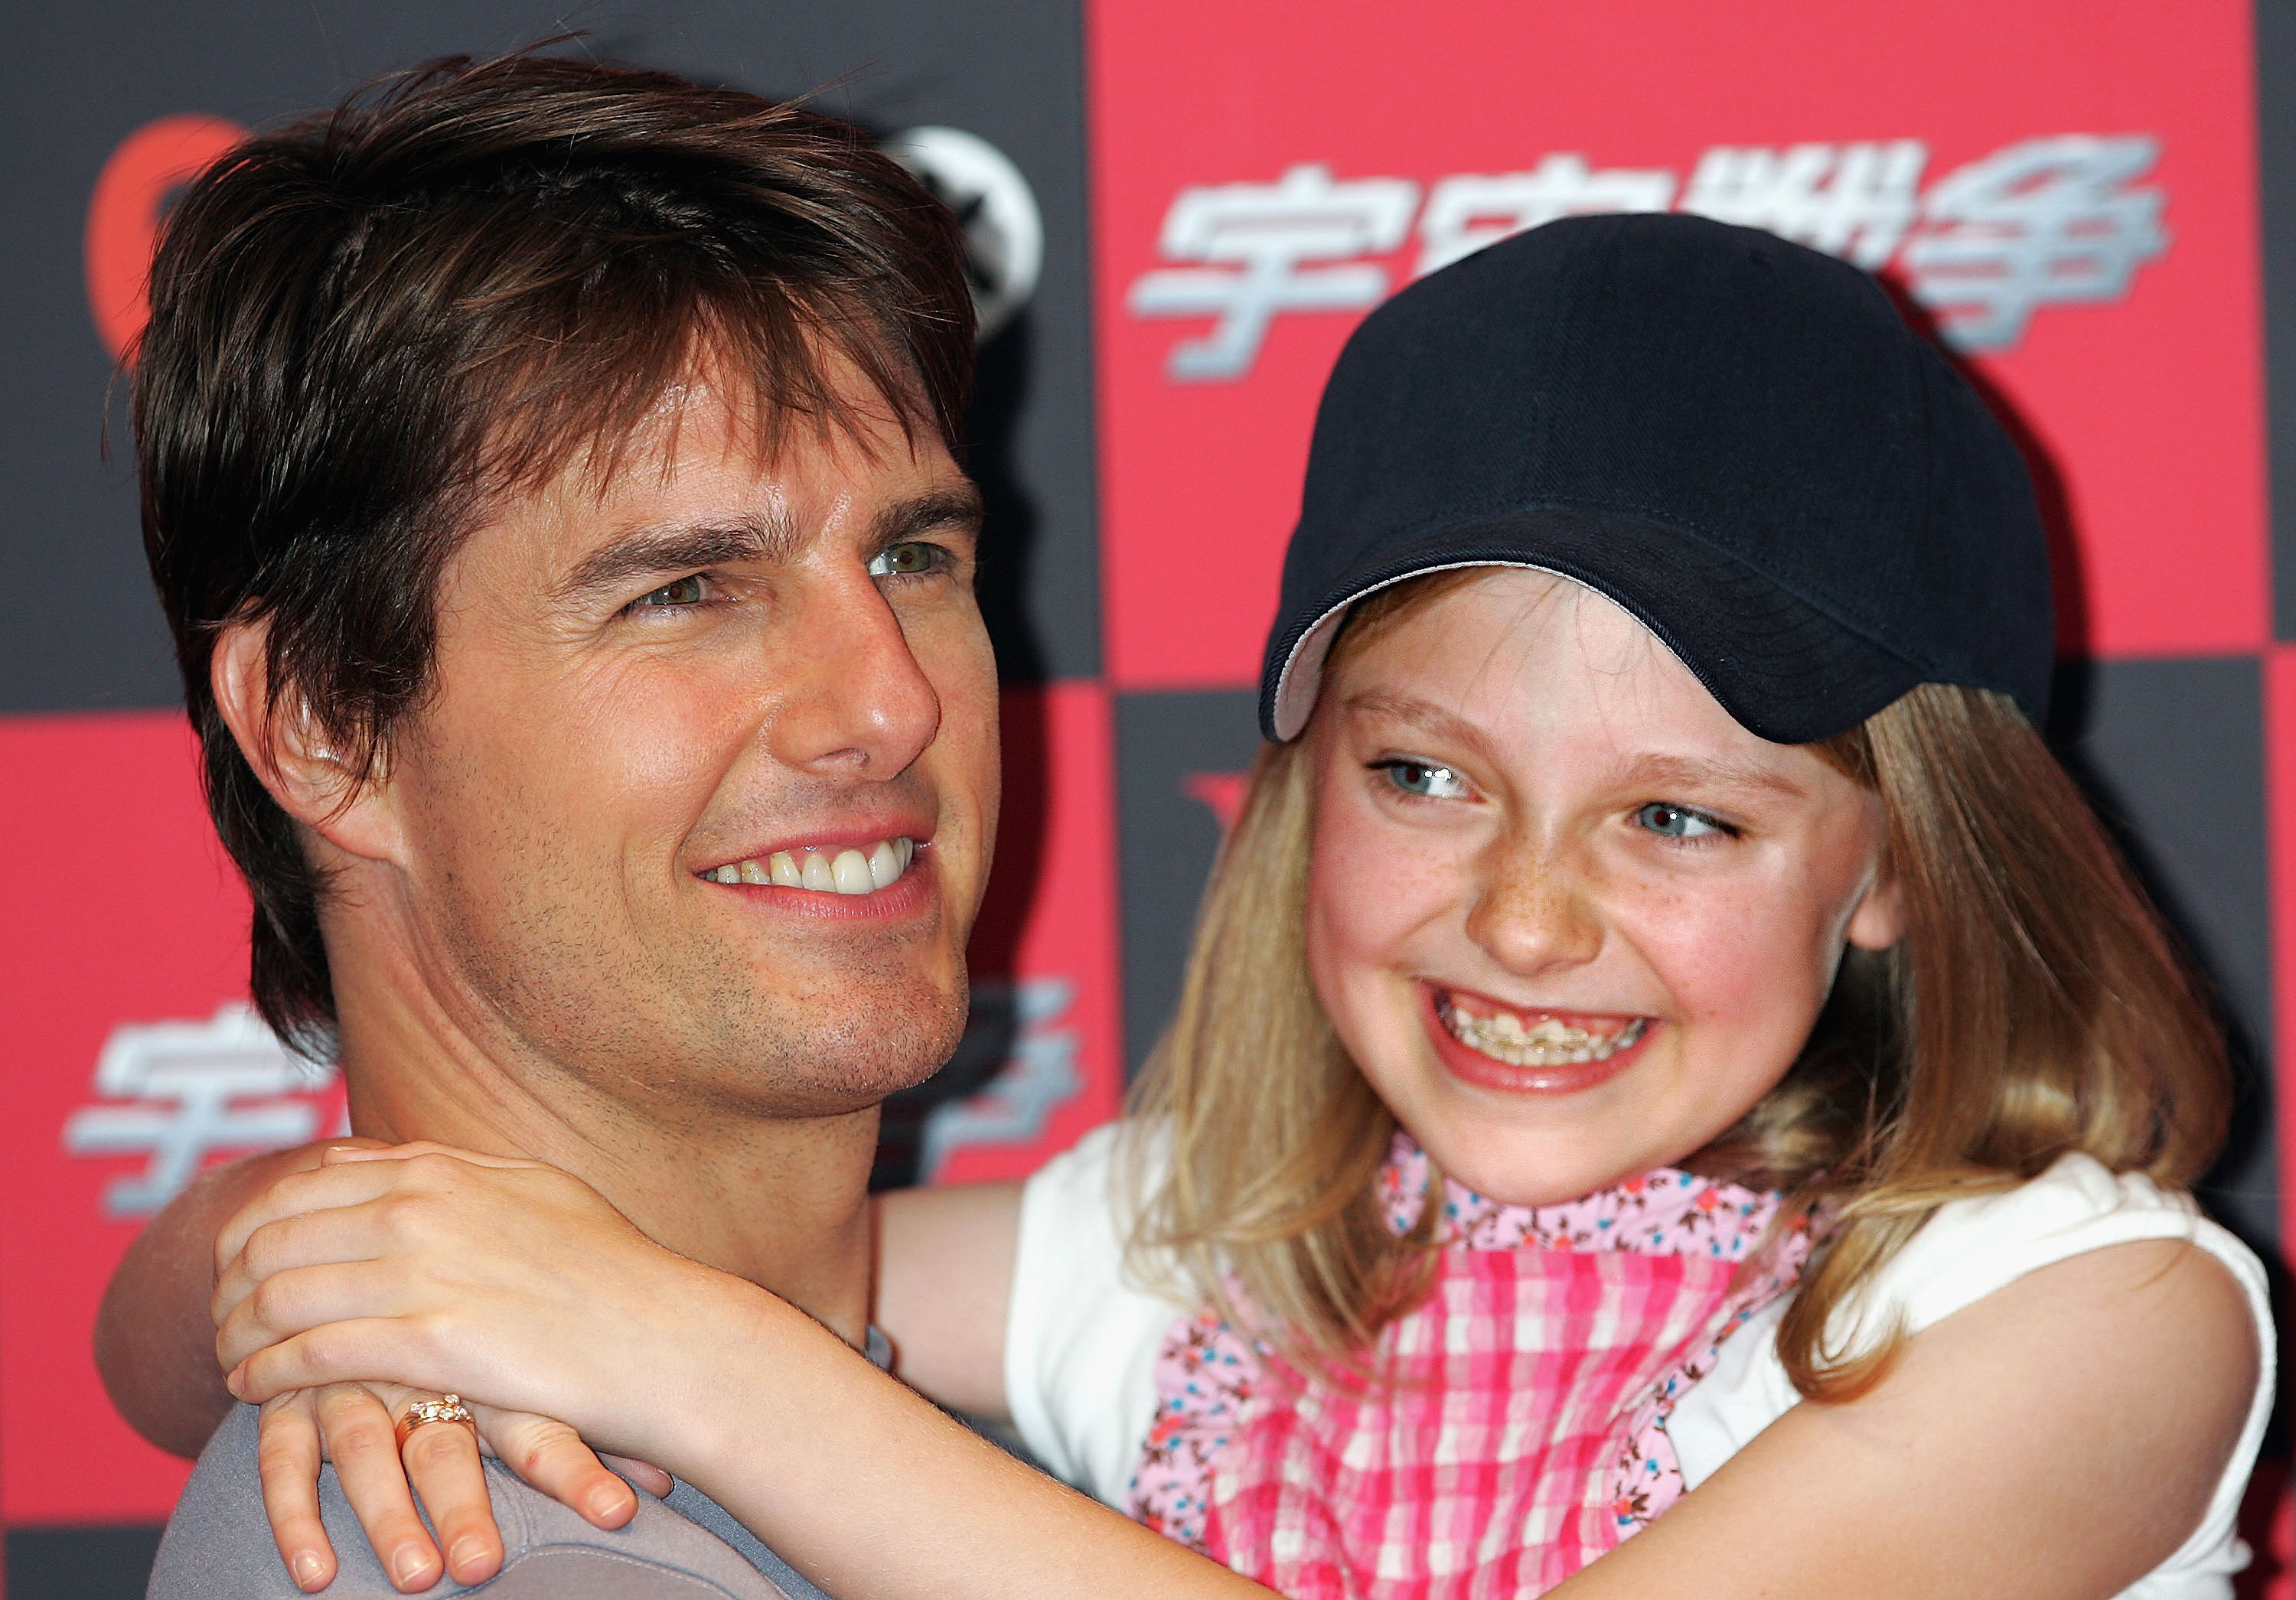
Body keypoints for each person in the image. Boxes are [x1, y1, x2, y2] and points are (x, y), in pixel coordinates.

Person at [128, 217, 2268, 1598]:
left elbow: (680, 1304)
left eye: (1679, 822)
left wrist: (667, 1350)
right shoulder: (1198, 1264)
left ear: (1900, 857)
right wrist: (354, 1279)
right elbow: (167, 1321)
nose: (1526, 922)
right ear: (1294, 788)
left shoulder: (2088, 1307)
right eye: (1425, 776)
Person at [101, 46, 1241, 1600]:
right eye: (686, 591)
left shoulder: (907, 1442)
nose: (888, 703)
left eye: (914, 558)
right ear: (325, 723)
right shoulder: (513, 1555)